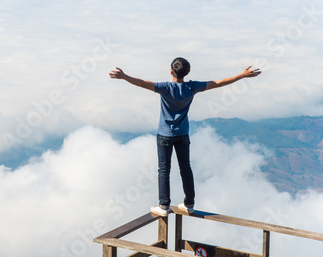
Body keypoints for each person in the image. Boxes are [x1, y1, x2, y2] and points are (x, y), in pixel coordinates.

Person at [109, 58, 261, 216]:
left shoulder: (165, 88)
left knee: (163, 170)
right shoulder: (192, 87)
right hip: (182, 134)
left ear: (170, 71)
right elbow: (218, 83)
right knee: (186, 168)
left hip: (165, 134)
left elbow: (143, 83)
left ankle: (163, 206)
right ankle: (189, 203)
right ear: (187, 72)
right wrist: (241, 75)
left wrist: (124, 76)